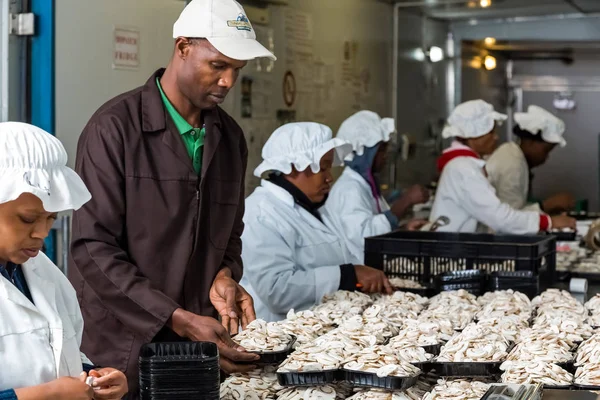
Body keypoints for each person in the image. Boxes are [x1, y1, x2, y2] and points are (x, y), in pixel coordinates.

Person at [69, 0, 276, 394]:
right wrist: (175, 316)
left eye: (237, 70)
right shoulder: (114, 129)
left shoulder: (229, 139)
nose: (228, 82)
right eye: (218, 65)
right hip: (123, 347)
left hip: (198, 345)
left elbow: (229, 233)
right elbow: (92, 248)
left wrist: (225, 274)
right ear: (183, 47)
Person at [0, 122, 128, 400]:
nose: (42, 233)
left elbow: (57, 349)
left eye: (51, 219)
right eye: (27, 219)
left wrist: (92, 376)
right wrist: (43, 395)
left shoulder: (42, 270)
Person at [239, 122, 393, 322]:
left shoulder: (309, 206)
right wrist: (348, 275)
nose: (330, 178)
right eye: (323, 168)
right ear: (294, 167)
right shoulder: (260, 213)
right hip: (275, 337)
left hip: (317, 328)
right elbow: (276, 290)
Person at [430, 99, 576, 234]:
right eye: (491, 132)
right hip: (452, 253)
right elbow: (499, 217)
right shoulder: (463, 168)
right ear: (474, 135)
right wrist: (548, 222)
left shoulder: (465, 165)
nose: (496, 137)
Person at [325, 111, 430, 261]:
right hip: (357, 272)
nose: (385, 155)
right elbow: (365, 237)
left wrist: (404, 229)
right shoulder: (349, 189)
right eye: (380, 150)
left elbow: (378, 226)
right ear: (363, 153)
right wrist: (405, 201)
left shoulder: (364, 185)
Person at [486, 105, 575, 214]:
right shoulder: (512, 164)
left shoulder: (512, 154)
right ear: (530, 142)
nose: (546, 157)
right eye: (546, 150)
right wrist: (547, 205)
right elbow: (511, 218)